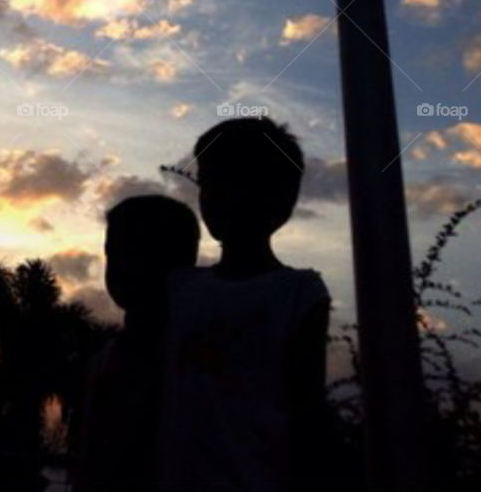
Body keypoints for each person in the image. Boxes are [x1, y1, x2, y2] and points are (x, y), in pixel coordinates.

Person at [156, 116, 331, 492]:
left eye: (229, 181)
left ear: (279, 197)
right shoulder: (180, 289)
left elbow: (308, 411)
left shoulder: (299, 293)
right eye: (208, 182)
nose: (213, 197)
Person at [73, 194, 200, 492]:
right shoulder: (105, 356)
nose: (117, 266)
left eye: (132, 252)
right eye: (111, 253)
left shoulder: (192, 359)